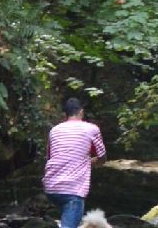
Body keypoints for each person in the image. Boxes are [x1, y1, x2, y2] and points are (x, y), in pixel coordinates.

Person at [42, 97, 106, 228]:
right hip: (72, 191)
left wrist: (83, 162)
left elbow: (51, 158)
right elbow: (102, 158)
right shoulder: (91, 129)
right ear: (81, 112)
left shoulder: (54, 130)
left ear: (64, 115)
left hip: (51, 188)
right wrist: (90, 162)